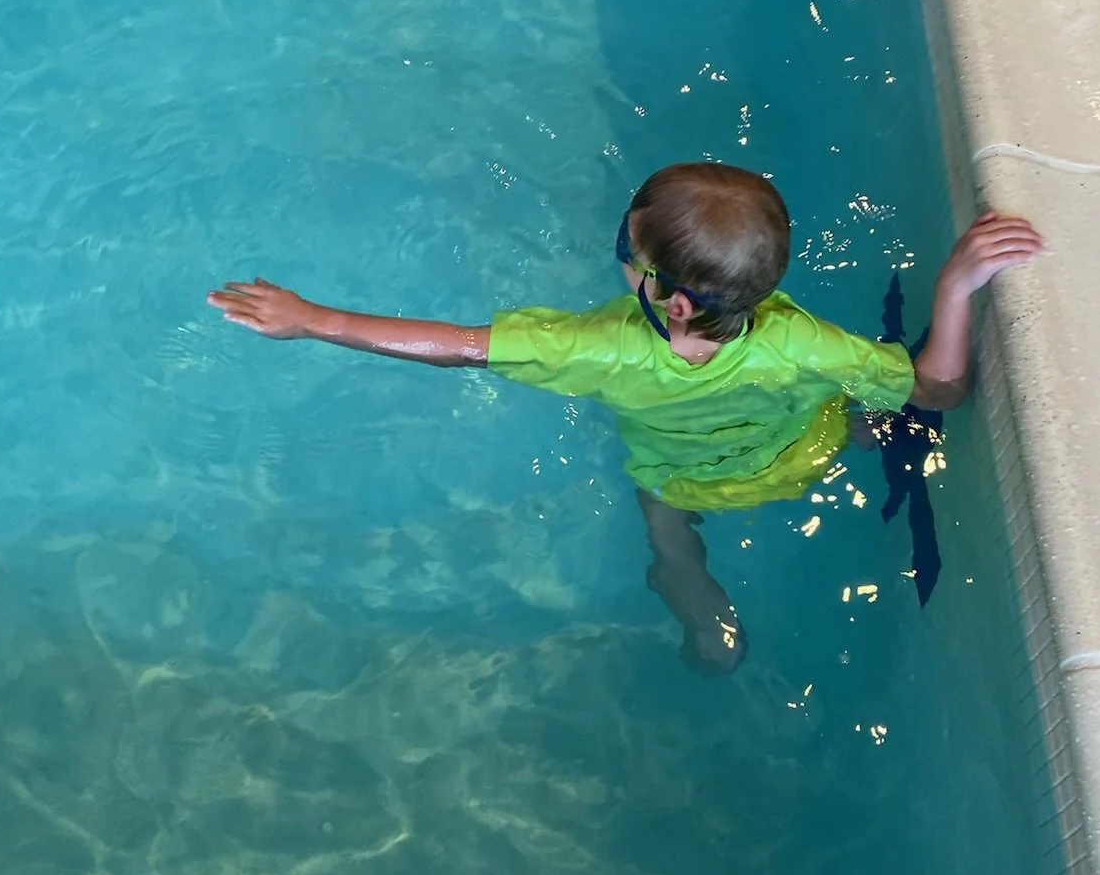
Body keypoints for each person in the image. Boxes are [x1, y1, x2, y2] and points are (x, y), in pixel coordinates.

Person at [208, 163, 1042, 675]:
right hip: (809, 449)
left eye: (626, 249)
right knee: (866, 417)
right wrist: (954, 286)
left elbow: (458, 347)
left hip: (686, 481)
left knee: (668, 532)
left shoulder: (599, 349)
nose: (620, 254)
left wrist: (314, 318)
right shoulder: (802, 342)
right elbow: (938, 391)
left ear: (671, 301)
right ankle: (853, 445)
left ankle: (702, 611)